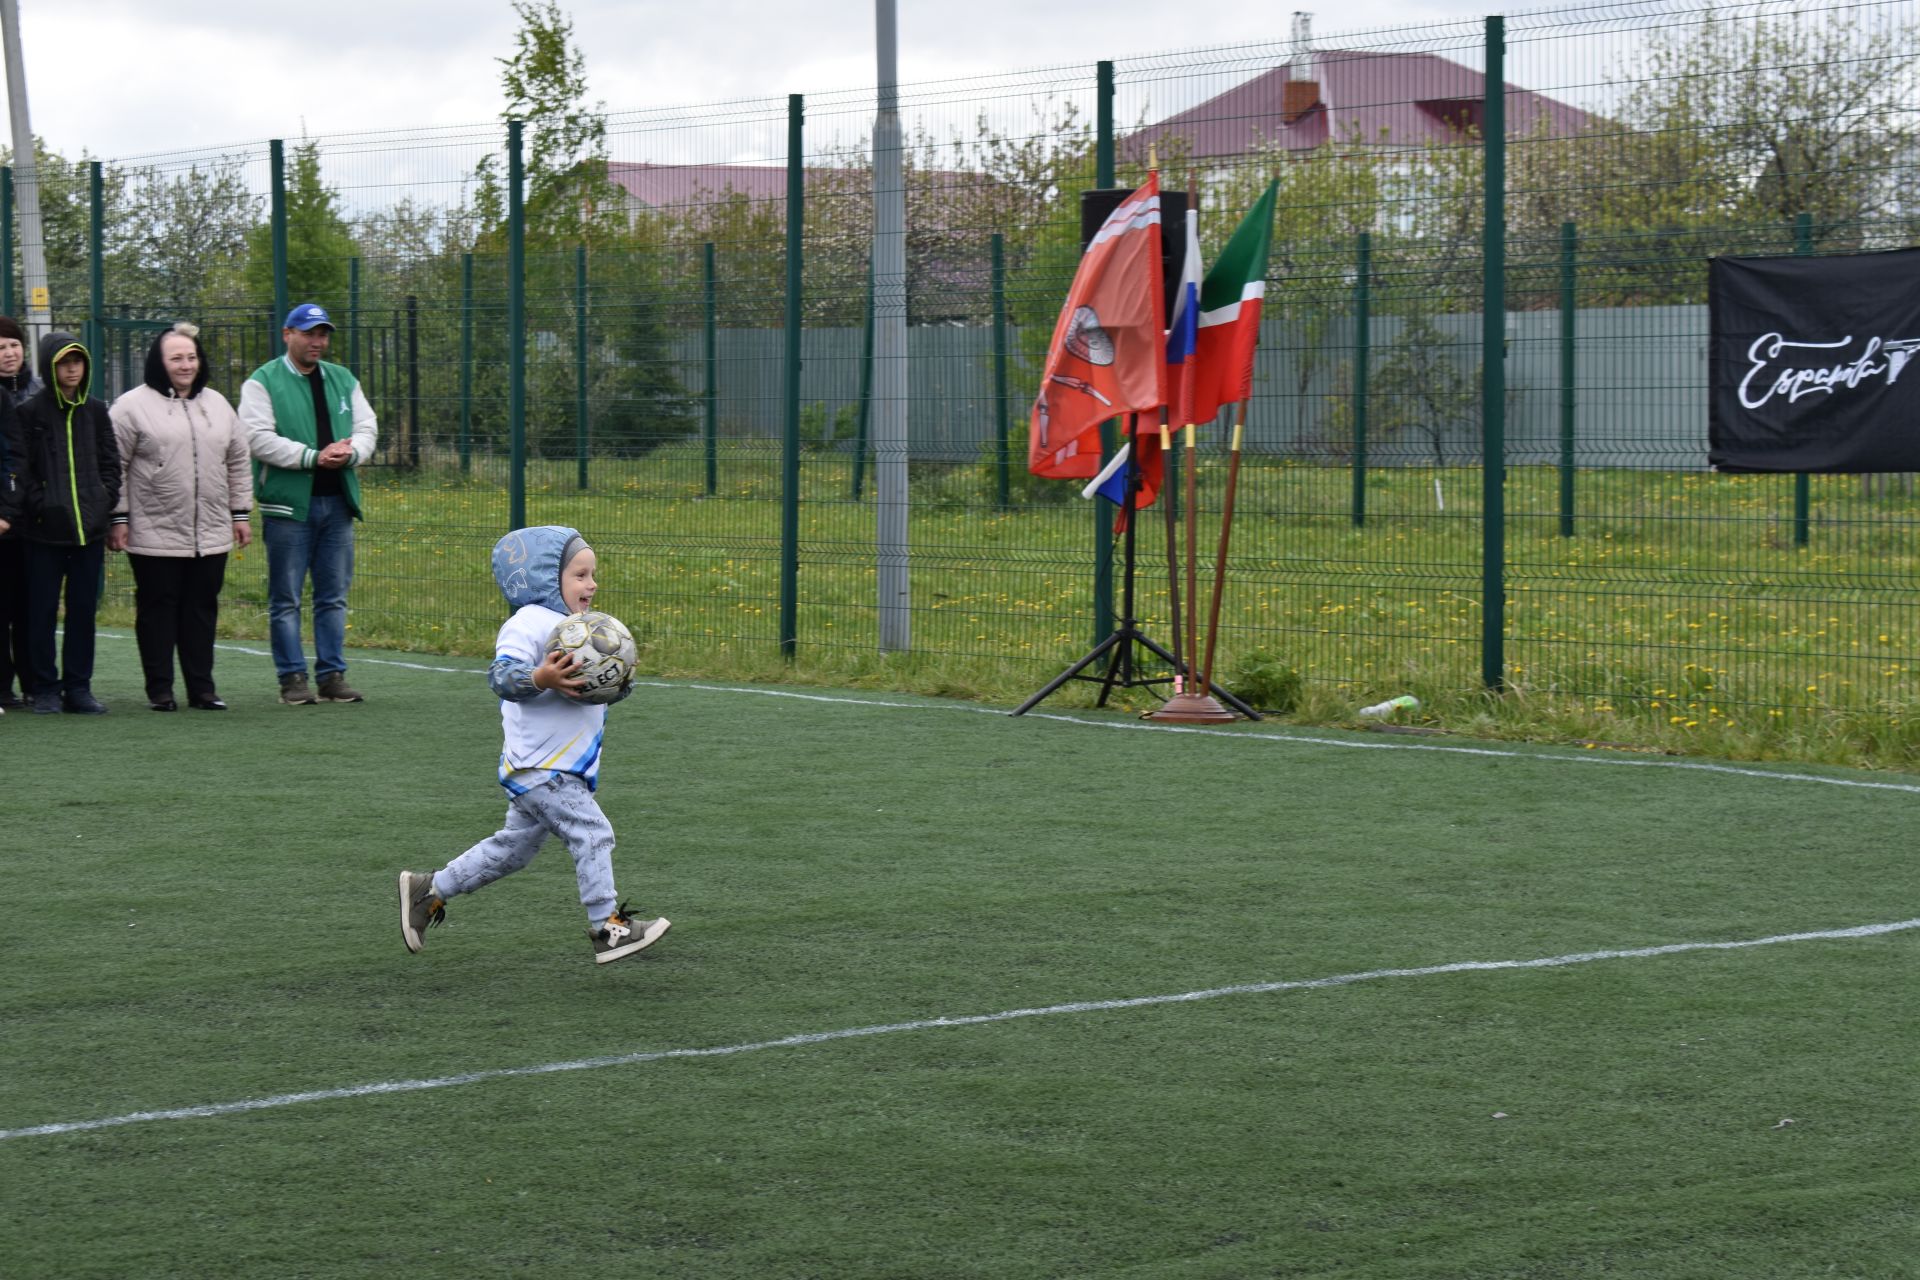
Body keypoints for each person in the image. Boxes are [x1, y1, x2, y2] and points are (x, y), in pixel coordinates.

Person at [399, 525, 669, 966]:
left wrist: (620, 678)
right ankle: (609, 929)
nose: (592, 584)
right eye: (580, 575)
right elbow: (500, 677)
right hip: (544, 768)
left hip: (552, 767)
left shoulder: (580, 629)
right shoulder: (527, 623)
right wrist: (540, 677)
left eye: (593, 575)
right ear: (547, 577)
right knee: (592, 832)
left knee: (514, 850)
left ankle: (427, 892)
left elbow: (595, 695)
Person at [108, 323, 254, 711]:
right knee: (158, 608)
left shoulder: (219, 404)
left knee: (202, 609)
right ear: (159, 362)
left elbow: (238, 460)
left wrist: (240, 514)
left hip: (211, 530)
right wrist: (118, 518)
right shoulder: (129, 407)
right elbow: (114, 465)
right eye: (176, 358)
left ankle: (202, 689)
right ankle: (160, 690)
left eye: (191, 357)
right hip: (153, 530)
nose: (186, 365)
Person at [239, 302, 376, 705]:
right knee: (286, 598)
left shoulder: (342, 378)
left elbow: (367, 427)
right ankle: (292, 678)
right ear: (288, 334)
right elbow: (256, 437)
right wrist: (312, 456)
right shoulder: (261, 382)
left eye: (323, 334)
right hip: (288, 509)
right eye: (309, 333)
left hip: (337, 505)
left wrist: (350, 455)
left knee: (333, 596)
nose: (318, 341)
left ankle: (332, 676)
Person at [0, 333, 120, 714]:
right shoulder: (30, 413)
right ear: (51, 366)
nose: (72, 368)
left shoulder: (98, 410)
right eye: (64, 362)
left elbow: (111, 466)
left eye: (78, 361)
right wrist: (42, 507)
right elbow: (22, 468)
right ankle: (46, 688)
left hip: (89, 533)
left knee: (83, 611)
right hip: (43, 534)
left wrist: (102, 502)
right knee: (41, 612)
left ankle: (78, 688)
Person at [0, 317, 38, 709]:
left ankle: (34, 681)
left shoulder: (40, 391)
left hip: (33, 517)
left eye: (13, 345)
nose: (9, 354)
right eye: (0, 348)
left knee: (31, 605)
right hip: (4, 516)